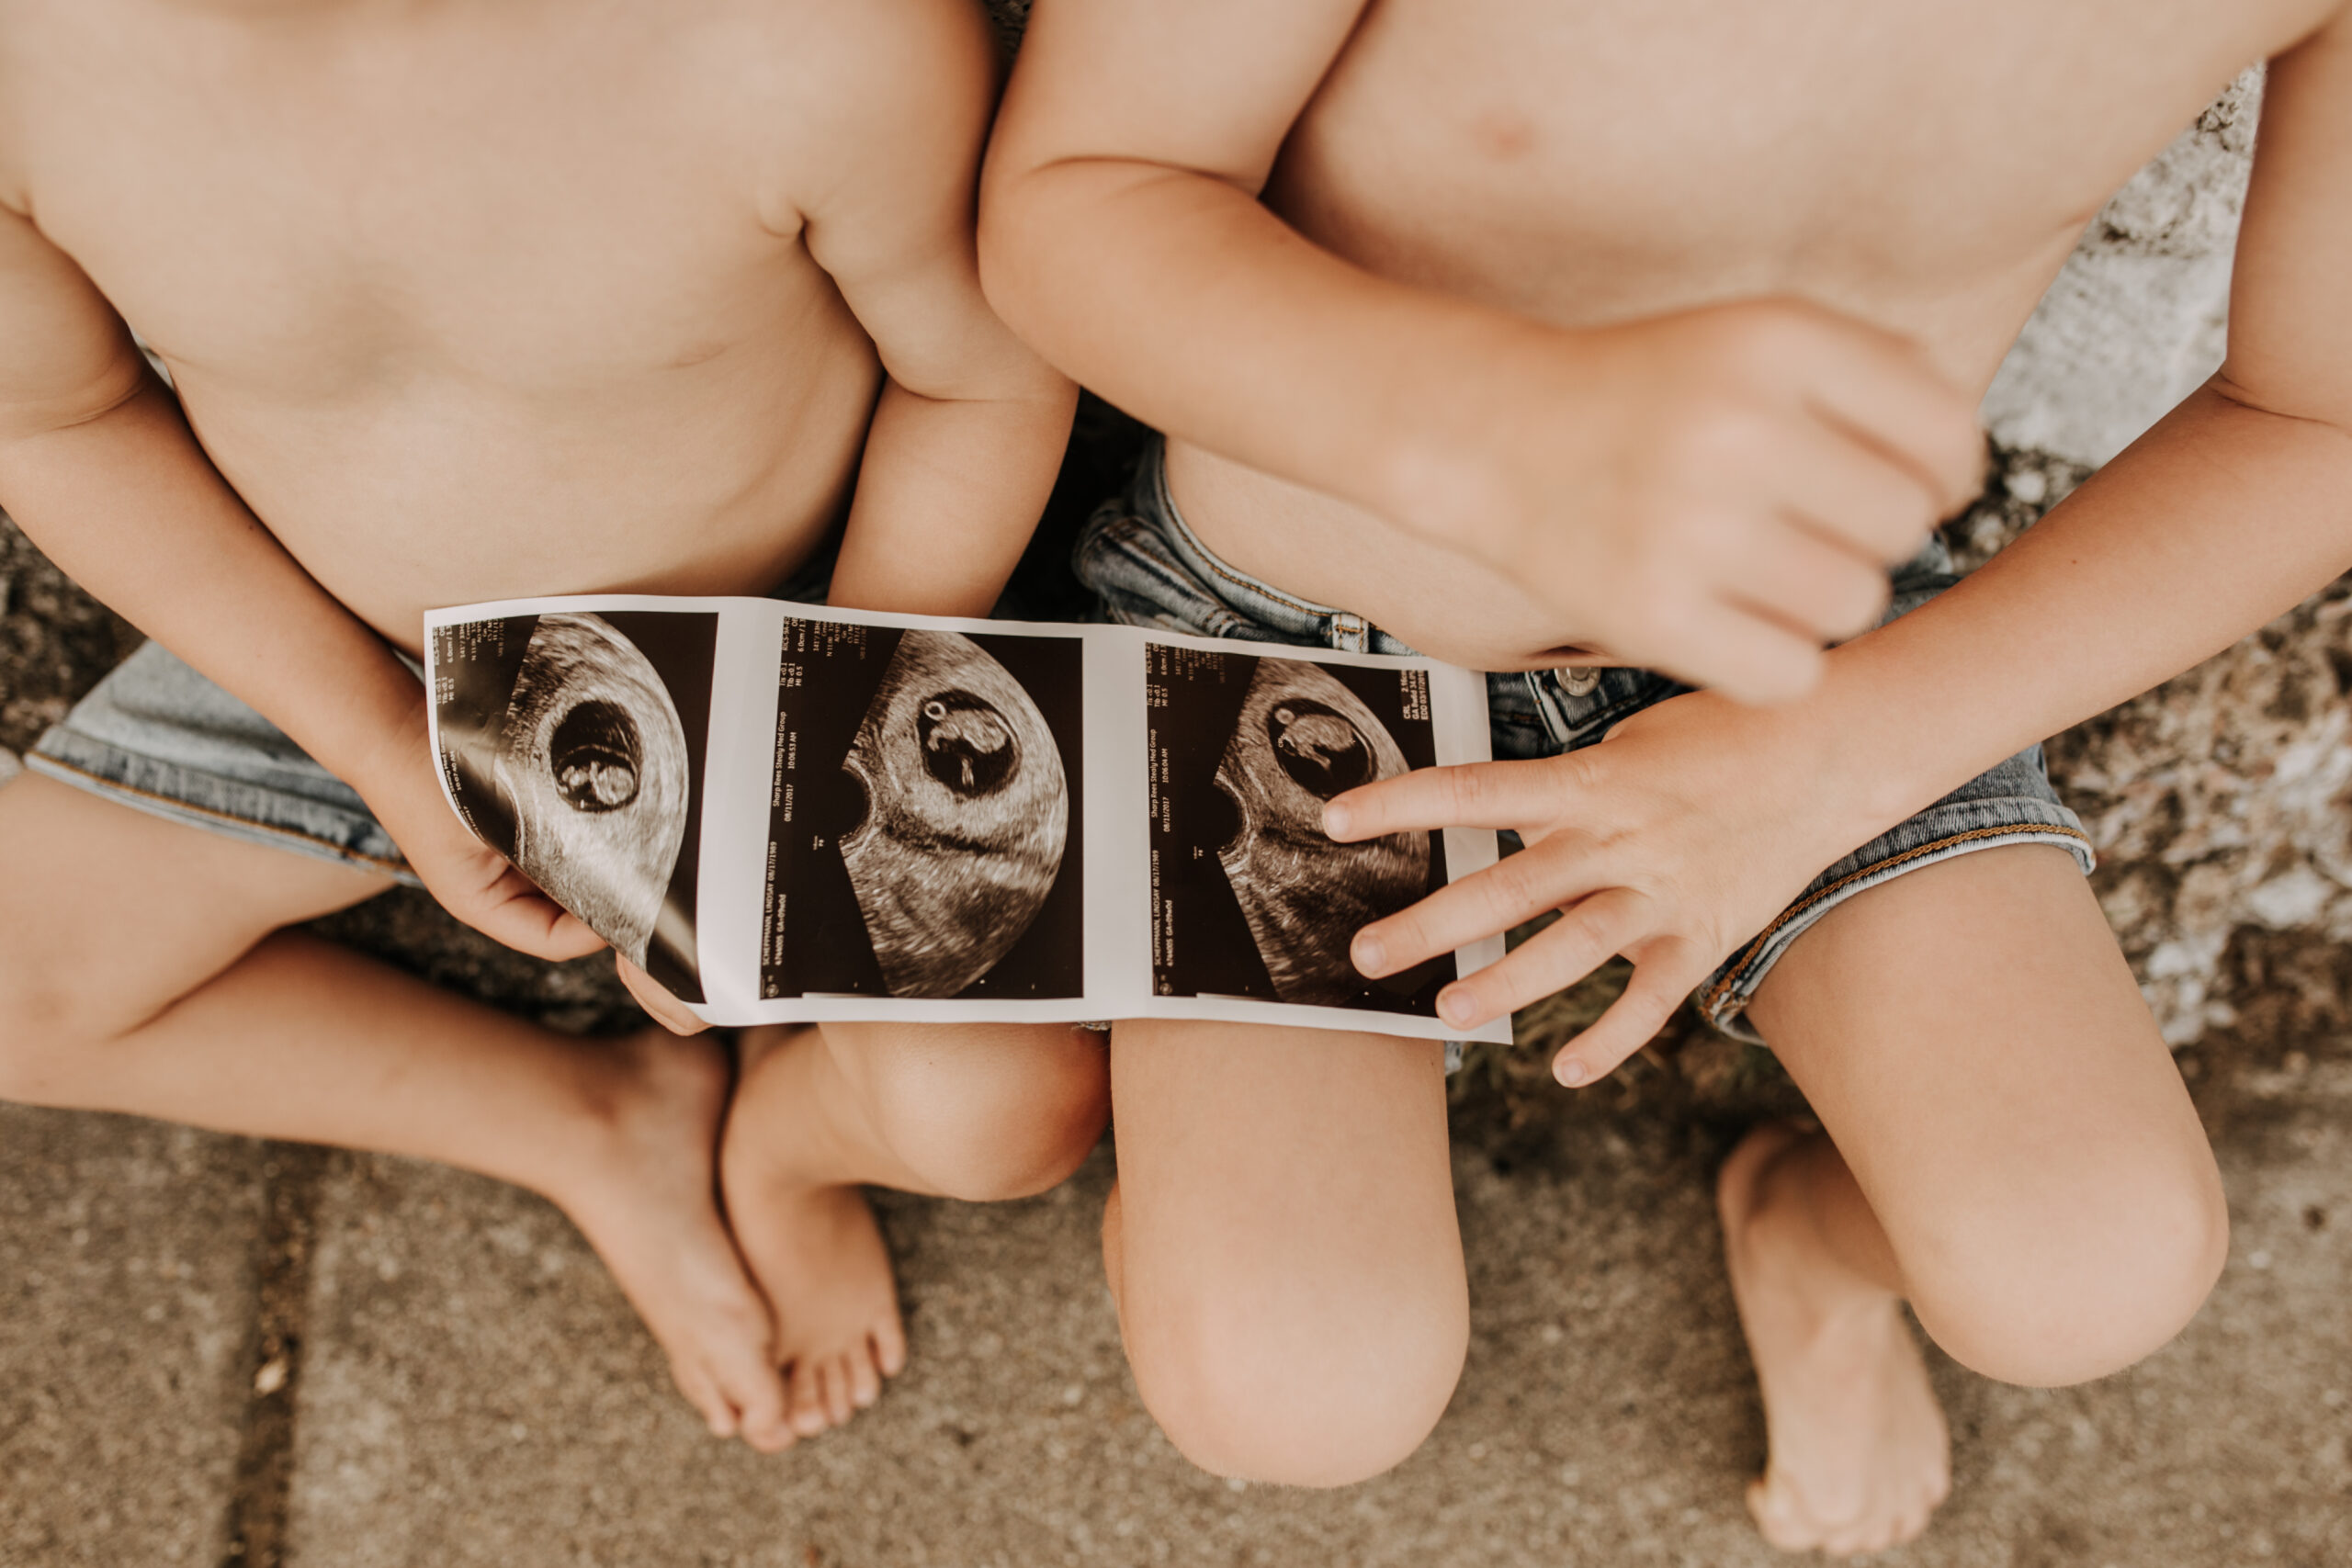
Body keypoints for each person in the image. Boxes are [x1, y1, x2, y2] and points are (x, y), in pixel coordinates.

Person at [978, 0, 2352, 1548]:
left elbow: (2323, 418)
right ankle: (1191, 1161)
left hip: (1802, 660)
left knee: (2098, 1266)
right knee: (1291, 1386)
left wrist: (1837, 757)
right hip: (1286, 634)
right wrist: (1511, 436)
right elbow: (1074, 197)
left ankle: (1812, 1240)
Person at [0, 0, 1097, 1452]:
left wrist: (790, 777)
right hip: (350, 659)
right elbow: (57, 420)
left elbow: (983, 375)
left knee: (996, 1115)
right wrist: (379, 745)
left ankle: (788, 1143)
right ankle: (590, 1122)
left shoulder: (807, 40)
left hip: (808, 637)